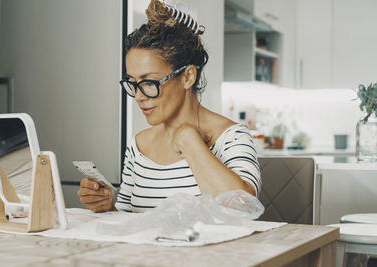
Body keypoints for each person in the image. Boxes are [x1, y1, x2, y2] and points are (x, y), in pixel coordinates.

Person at [78, 0, 261, 213]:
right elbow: (128, 220)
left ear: (188, 76)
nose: (138, 96)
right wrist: (107, 207)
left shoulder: (232, 137)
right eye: (133, 83)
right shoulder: (138, 146)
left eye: (149, 82)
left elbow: (245, 210)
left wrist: (189, 140)